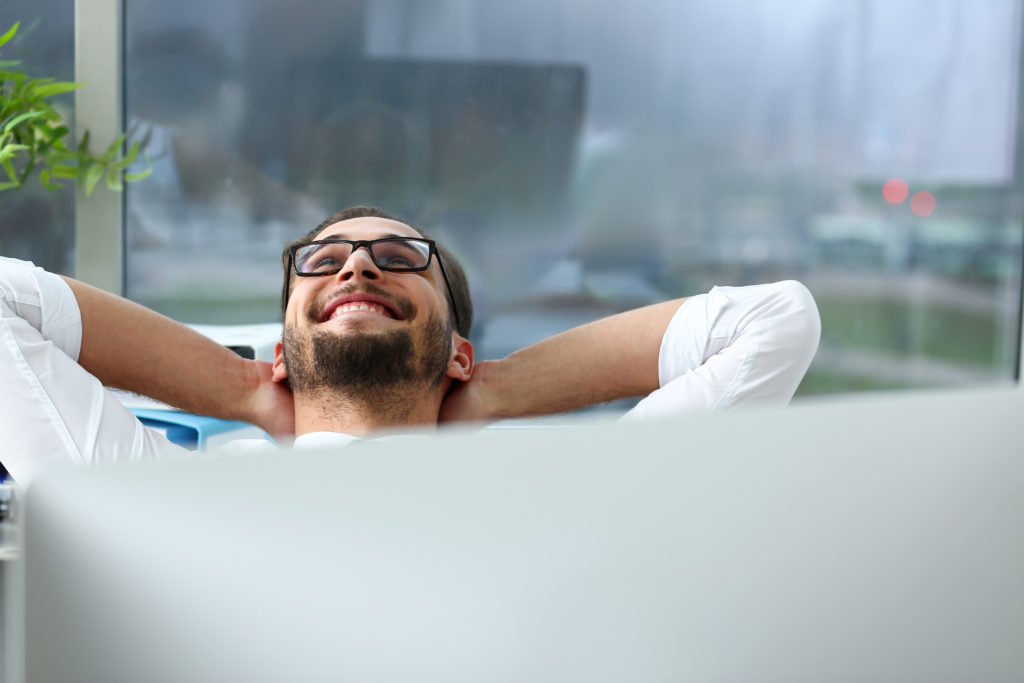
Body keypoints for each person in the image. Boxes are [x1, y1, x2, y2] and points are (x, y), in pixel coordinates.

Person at [0, 206, 821, 483]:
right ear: (282, 350)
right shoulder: (151, 490)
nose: (358, 262)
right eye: (324, 262)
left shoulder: (568, 491)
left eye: (399, 260)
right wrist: (241, 389)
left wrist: (494, 391)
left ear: (458, 353)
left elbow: (774, 322)